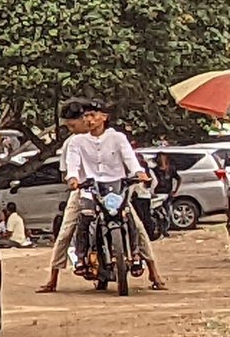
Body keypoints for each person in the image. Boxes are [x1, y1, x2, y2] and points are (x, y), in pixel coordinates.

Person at [64, 102, 166, 290]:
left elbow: (130, 158)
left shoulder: (118, 138)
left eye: (93, 115)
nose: (89, 119)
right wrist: (73, 178)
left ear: (104, 117)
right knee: (85, 217)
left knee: (131, 219)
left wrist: (139, 173)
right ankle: (81, 257)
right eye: (86, 116)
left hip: (117, 187)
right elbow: (73, 165)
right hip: (90, 188)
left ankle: (136, 256)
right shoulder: (76, 142)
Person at [37, 99, 97, 293]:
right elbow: (66, 172)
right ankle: (52, 278)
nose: (71, 130)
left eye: (72, 125)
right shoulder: (71, 144)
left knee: (134, 224)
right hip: (82, 190)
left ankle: (153, 271)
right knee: (65, 233)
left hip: (108, 189)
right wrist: (73, 180)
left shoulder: (104, 138)